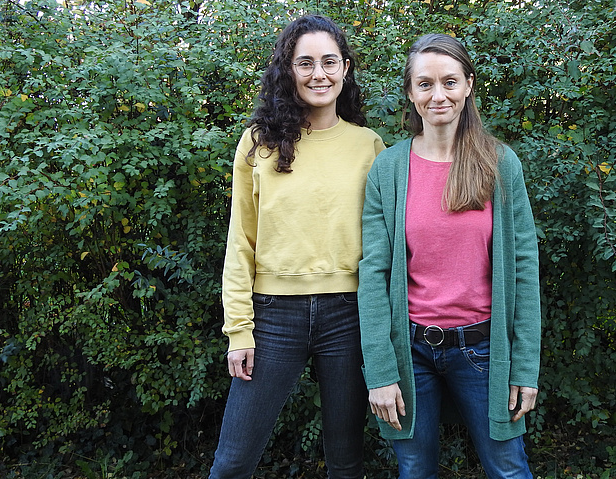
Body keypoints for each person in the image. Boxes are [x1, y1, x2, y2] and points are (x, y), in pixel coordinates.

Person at [358, 33, 542, 479]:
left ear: (469, 86)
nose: (438, 95)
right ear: (410, 92)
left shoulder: (499, 164)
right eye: (425, 84)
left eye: (449, 82)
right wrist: (380, 372)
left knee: (508, 469)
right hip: (412, 352)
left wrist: (525, 368)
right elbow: (374, 273)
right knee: (415, 470)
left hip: (483, 351)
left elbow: (523, 267)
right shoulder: (389, 169)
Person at [209, 15, 385, 479]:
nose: (318, 74)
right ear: (287, 70)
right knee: (232, 462)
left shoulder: (369, 146)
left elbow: (384, 246)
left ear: (345, 69)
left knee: (346, 463)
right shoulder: (257, 143)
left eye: (329, 62)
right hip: (272, 318)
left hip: (348, 315)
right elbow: (240, 242)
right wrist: (238, 330)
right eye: (304, 63)